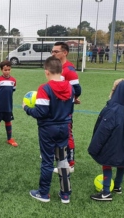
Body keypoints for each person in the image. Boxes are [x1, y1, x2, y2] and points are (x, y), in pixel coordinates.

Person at [24, 56, 74, 204]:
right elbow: (70, 109)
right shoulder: (70, 87)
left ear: (47, 72)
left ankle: (43, 193)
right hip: (64, 128)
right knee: (62, 160)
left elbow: (41, 112)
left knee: (47, 161)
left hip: (48, 130)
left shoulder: (44, 88)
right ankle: (65, 194)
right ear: (61, 70)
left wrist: (26, 108)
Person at [88, 79, 124, 201]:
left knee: (107, 163)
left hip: (111, 145)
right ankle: (117, 186)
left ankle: (105, 193)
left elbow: (103, 130)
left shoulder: (112, 109)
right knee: (122, 163)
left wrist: (94, 147)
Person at [51, 42, 81, 173]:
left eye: (56, 51)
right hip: (56, 107)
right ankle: (58, 157)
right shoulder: (56, 67)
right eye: (52, 51)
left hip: (64, 109)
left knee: (67, 134)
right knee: (56, 132)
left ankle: (70, 164)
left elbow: (77, 89)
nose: (53, 54)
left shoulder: (69, 70)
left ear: (65, 53)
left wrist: (71, 98)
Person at [0, 60, 18, 148]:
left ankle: (9, 138)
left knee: (8, 121)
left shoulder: (13, 80)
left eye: (9, 69)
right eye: (5, 70)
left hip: (8, 105)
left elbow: (13, 90)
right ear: (1, 70)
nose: (7, 71)